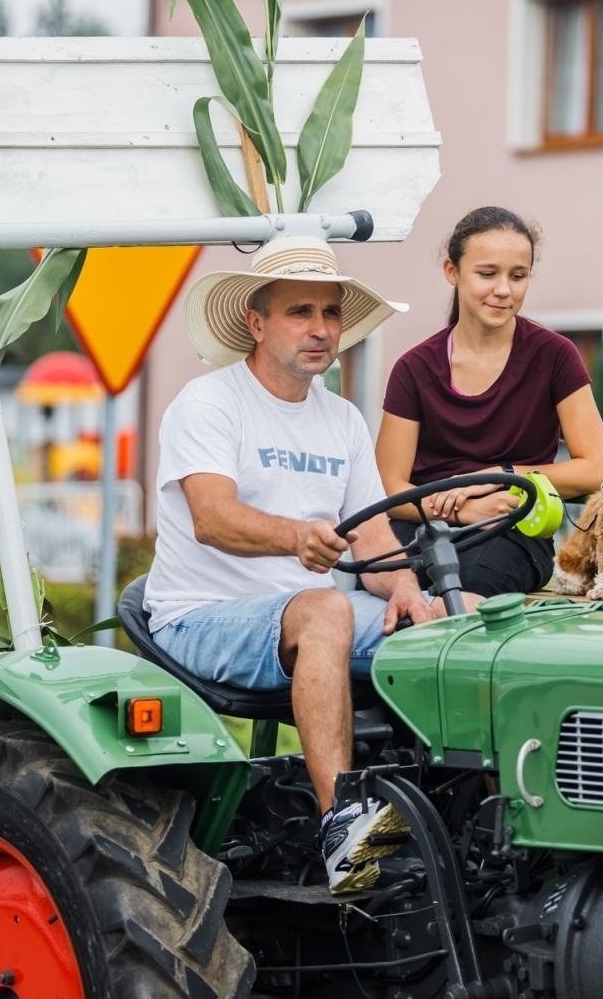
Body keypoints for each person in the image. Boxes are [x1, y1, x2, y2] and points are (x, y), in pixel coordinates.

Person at [143, 236, 454, 897]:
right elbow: (212, 516)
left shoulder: (341, 420)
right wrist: (294, 539)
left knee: (464, 620)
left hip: (312, 618)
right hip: (201, 617)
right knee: (327, 610)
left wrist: (405, 591)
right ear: (255, 323)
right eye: (300, 312)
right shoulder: (208, 403)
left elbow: (374, 537)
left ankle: (467, 829)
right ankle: (346, 835)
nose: (320, 330)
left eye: (330, 314)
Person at [376, 207, 603, 595]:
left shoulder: (556, 356)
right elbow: (388, 488)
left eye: (518, 276)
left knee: (473, 580)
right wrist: (462, 508)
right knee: (390, 578)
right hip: (423, 524)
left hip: (514, 527)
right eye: (487, 274)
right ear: (452, 272)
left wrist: (502, 477)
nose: (504, 289)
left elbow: (597, 467)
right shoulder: (413, 368)